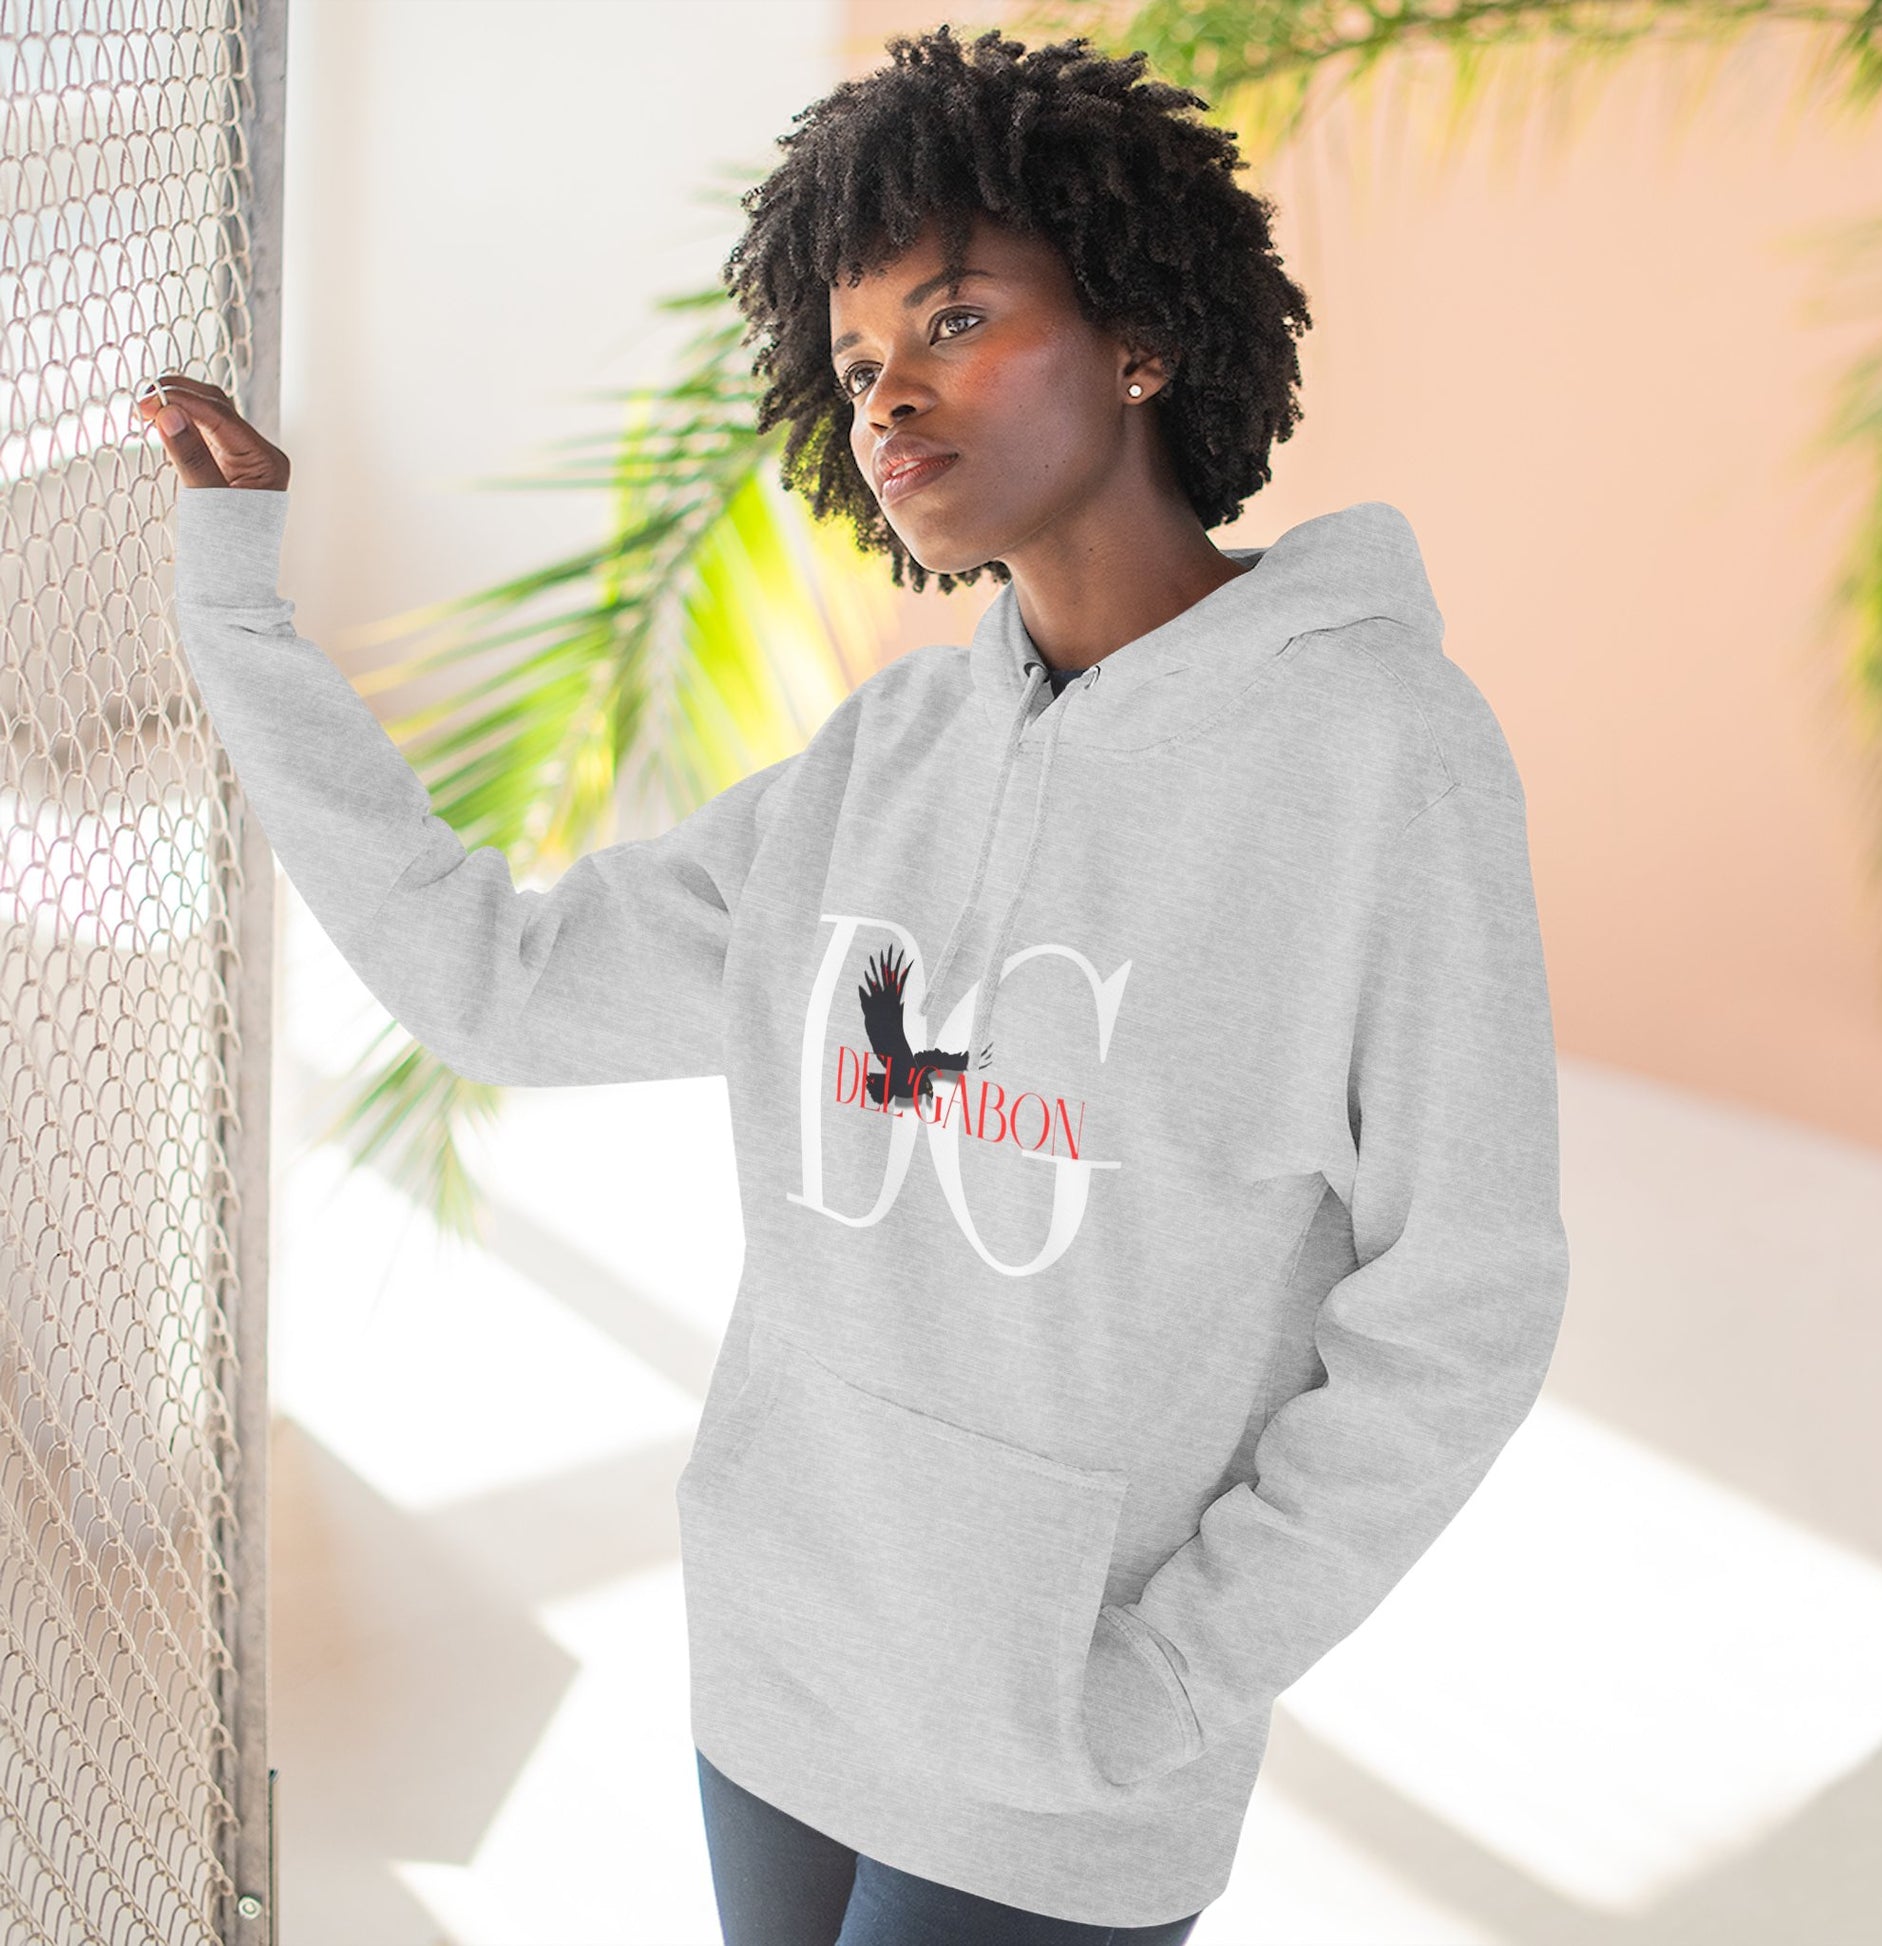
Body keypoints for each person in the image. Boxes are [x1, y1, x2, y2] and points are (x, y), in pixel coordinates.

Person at [145, 23, 1571, 1946]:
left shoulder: (1374, 756)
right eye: (854, 358)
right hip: (779, 1668)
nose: (889, 394)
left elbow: (1463, 1295)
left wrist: (1164, 1679)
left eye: (956, 319)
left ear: (1141, 333)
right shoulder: (884, 758)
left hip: (1062, 1759)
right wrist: (240, 611)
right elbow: (499, 984)